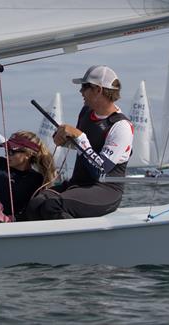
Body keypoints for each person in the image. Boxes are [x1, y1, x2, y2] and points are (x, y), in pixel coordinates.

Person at [25, 65, 133, 220]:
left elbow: (100, 171)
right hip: (79, 184)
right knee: (36, 203)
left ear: (98, 90)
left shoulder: (121, 126)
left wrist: (80, 137)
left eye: (84, 87)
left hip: (105, 190)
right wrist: (64, 140)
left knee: (52, 206)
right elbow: (84, 146)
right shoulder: (86, 112)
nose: (80, 92)